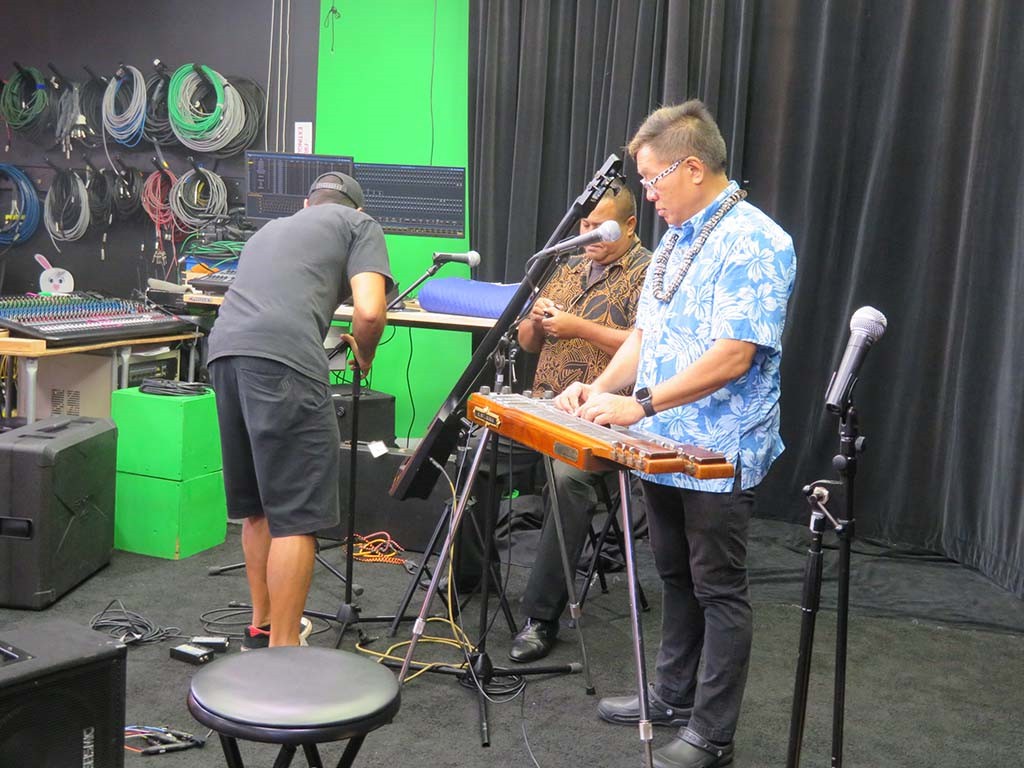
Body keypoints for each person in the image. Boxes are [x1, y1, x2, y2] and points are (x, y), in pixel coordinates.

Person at [556, 101, 796, 768]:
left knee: (718, 587)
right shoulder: (676, 239)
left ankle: (712, 735)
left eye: (653, 179)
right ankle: (670, 695)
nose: (648, 194)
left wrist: (639, 403)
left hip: (717, 450)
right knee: (675, 575)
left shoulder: (757, 241)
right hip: (659, 443)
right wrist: (599, 389)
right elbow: (645, 335)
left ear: (692, 168)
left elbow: (734, 356)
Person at [207, 172, 392, 649]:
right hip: (283, 361)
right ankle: (284, 650)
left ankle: (263, 627)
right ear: (357, 208)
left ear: (307, 204)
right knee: (297, 516)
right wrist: (365, 353)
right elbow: (370, 311)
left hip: (224, 353)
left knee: (258, 509)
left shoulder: (269, 229)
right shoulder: (360, 225)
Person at [507, 179, 651, 663]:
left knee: (569, 480)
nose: (589, 235)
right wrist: (535, 321)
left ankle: (541, 617)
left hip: (606, 419)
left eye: (600, 227)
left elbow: (647, 345)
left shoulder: (649, 272)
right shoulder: (566, 267)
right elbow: (528, 344)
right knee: (472, 451)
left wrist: (578, 328)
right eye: (585, 225)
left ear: (629, 225)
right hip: (544, 406)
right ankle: (465, 577)